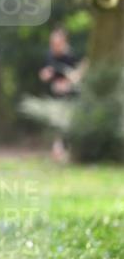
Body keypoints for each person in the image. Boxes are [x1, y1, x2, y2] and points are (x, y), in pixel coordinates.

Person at [38, 26, 85, 162]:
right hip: (54, 95)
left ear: (64, 41)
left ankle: (63, 150)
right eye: (52, 43)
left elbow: (79, 72)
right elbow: (46, 72)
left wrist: (67, 83)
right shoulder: (50, 55)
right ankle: (58, 149)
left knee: (66, 122)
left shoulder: (71, 55)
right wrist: (45, 75)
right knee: (56, 123)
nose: (54, 46)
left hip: (70, 96)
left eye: (57, 43)